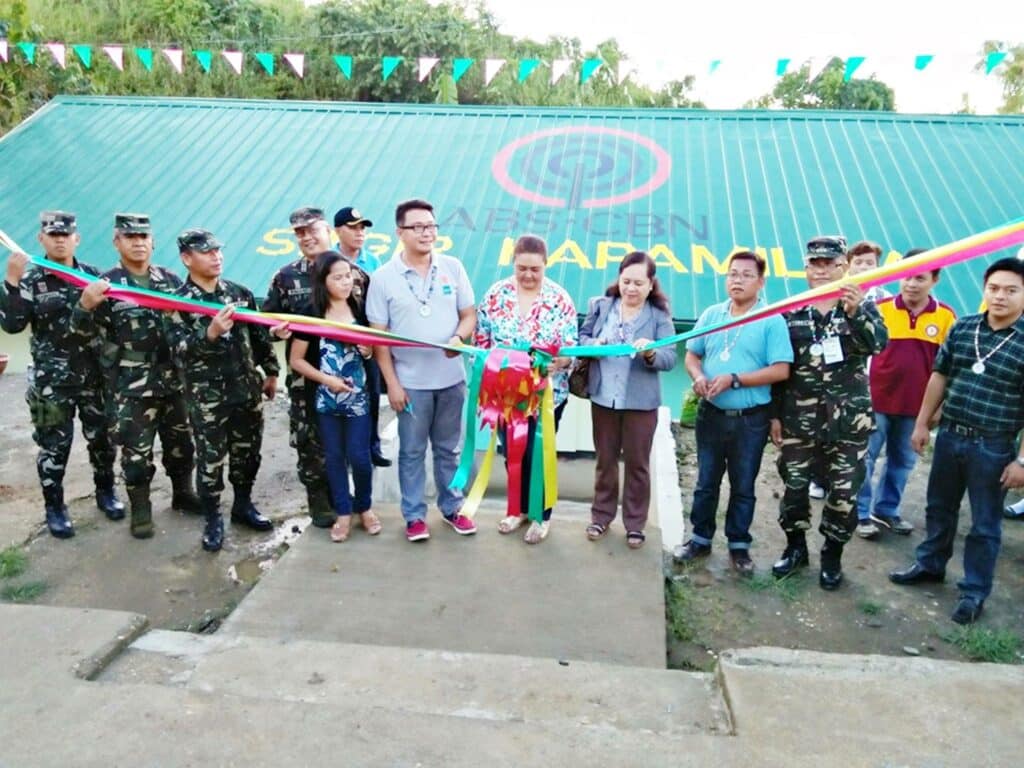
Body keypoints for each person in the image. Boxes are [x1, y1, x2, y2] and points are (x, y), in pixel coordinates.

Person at [890, 257, 1024, 625]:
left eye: (1011, 291)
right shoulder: (964, 328)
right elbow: (939, 377)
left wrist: (1022, 462)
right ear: (985, 289)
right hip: (950, 437)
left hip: (994, 447)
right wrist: (921, 424)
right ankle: (931, 564)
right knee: (939, 507)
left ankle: (974, 591)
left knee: (984, 523)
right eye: (994, 289)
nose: (1000, 297)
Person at [769, 236, 887, 590]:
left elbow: (879, 344)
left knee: (844, 493)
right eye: (814, 264)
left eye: (830, 264)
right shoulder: (790, 311)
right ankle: (795, 548)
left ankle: (832, 555)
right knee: (794, 488)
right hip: (799, 420)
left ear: (844, 267)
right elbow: (779, 368)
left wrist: (858, 311)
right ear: (805, 269)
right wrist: (775, 416)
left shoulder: (860, 306)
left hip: (849, 422)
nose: (821, 271)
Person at [73, 213, 200, 539]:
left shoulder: (170, 281)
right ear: (117, 243)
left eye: (143, 237)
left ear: (152, 242)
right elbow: (81, 336)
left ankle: (182, 494)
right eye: (131, 238)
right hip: (130, 385)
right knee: (136, 453)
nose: (138, 243)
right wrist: (83, 307)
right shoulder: (106, 285)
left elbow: (190, 325)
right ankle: (141, 509)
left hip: (172, 379)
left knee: (181, 445)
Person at [0, 211, 122, 538]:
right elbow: (12, 325)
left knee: (103, 441)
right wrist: (10, 282)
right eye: (52, 234)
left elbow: (113, 323)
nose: (59, 239)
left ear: (76, 239)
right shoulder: (29, 281)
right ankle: (54, 507)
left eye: (65, 234)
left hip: (94, 378)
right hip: (50, 384)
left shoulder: (93, 278)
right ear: (41, 240)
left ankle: (106, 493)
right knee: (53, 448)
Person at [673, 250, 792, 573]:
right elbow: (692, 355)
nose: (737, 280)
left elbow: (781, 369)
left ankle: (739, 545)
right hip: (710, 414)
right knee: (706, 481)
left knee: (743, 484)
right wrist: (698, 378)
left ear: (760, 281)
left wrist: (735, 380)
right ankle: (699, 538)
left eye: (745, 275)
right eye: (732, 274)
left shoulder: (771, 319)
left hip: (751, 419)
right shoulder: (712, 315)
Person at [366, 198, 477, 542]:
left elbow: (469, 314)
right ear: (400, 232)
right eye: (418, 227)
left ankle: (452, 508)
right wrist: (392, 385)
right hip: (411, 384)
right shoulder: (384, 278)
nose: (427, 233)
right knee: (412, 451)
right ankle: (414, 516)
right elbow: (379, 339)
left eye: (431, 226)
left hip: (451, 380)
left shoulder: (453, 268)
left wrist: (458, 337)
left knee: (449, 449)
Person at [164, 228, 279, 552]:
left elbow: (259, 338)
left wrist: (271, 371)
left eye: (218, 251)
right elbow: (178, 352)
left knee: (247, 454)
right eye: (206, 252)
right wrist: (209, 334)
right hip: (207, 398)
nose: (216, 257)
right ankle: (213, 518)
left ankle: (243, 505)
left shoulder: (238, 293)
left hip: (245, 390)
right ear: (187, 259)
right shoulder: (177, 303)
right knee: (211, 461)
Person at [263, 206, 367, 529]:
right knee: (310, 440)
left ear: (328, 232)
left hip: (351, 376)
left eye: (312, 230)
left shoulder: (353, 273)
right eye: (299, 233)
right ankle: (319, 502)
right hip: (305, 376)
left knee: (352, 443)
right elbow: (268, 318)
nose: (307, 237)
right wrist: (274, 330)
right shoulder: (285, 277)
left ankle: (350, 501)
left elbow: (370, 320)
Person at [475, 234, 578, 544]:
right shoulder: (495, 295)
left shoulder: (560, 300)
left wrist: (560, 362)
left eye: (536, 269)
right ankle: (517, 508)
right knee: (513, 453)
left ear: (546, 265)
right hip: (506, 395)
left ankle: (541, 515)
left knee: (539, 453)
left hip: (547, 394)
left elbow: (572, 347)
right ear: (513, 263)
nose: (529, 275)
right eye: (522, 268)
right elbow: (482, 341)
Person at [579, 251, 677, 549]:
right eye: (626, 281)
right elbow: (581, 338)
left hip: (640, 404)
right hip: (604, 398)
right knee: (605, 460)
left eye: (638, 283)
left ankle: (635, 524)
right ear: (618, 280)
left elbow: (670, 357)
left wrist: (650, 353)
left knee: (637, 464)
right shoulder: (601, 306)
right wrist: (596, 345)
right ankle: (601, 516)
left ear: (651, 285)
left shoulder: (659, 317)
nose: (631, 289)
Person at [855, 251, 956, 539]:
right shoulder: (880, 308)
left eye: (920, 278)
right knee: (865, 459)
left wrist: (937, 409)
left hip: (916, 408)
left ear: (934, 280)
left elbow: (949, 366)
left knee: (902, 461)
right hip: (876, 401)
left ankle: (887, 509)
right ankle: (861, 513)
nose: (912, 284)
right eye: (907, 276)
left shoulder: (946, 316)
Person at [289, 251, 379, 543]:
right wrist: (327, 380)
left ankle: (363, 506)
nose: (345, 282)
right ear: (323, 280)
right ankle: (343, 511)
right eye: (337, 277)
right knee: (334, 457)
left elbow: (371, 350)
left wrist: (367, 350)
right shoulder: (311, 312)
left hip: (358, 399)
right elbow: (296, 360)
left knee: (360, 457)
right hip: (326, 400)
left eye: (348, 276)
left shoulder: (360, 309)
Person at [334, 205, 389, 468]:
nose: (360, 233)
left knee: (372, 393)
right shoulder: (328, 261)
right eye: (352, 228)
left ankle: (372, 446)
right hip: (336, 341)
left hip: (367, 339)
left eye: (362, 228)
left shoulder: (373, 261)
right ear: (337, 231)